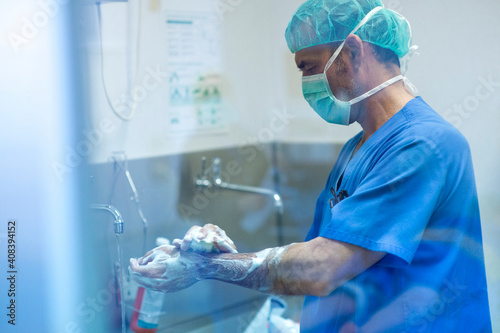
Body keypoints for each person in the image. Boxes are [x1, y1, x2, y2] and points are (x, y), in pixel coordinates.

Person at [130, 0, 492, 331]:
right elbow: (324, 258)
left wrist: (206, 267)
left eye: (309, 67)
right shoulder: (357, 148)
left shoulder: (424, 145)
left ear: (352, 51)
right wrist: (223, 256)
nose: (307, 85)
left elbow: (324, 266)